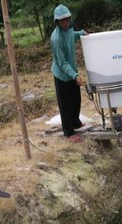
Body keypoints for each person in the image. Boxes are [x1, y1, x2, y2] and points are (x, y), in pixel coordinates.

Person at [50, 4, 88, 143]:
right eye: (62, 20)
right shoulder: (56, 38)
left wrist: (81, 34)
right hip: (62, 74)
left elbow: (72, 36)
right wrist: (75, 76)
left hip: (71, 71)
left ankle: (75, 122)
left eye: (66, 19)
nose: (65, 22)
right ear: (57, 21)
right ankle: (68, 131)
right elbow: (62, 62)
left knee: (76, 98)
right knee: (65, 103)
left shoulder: (69, 29)